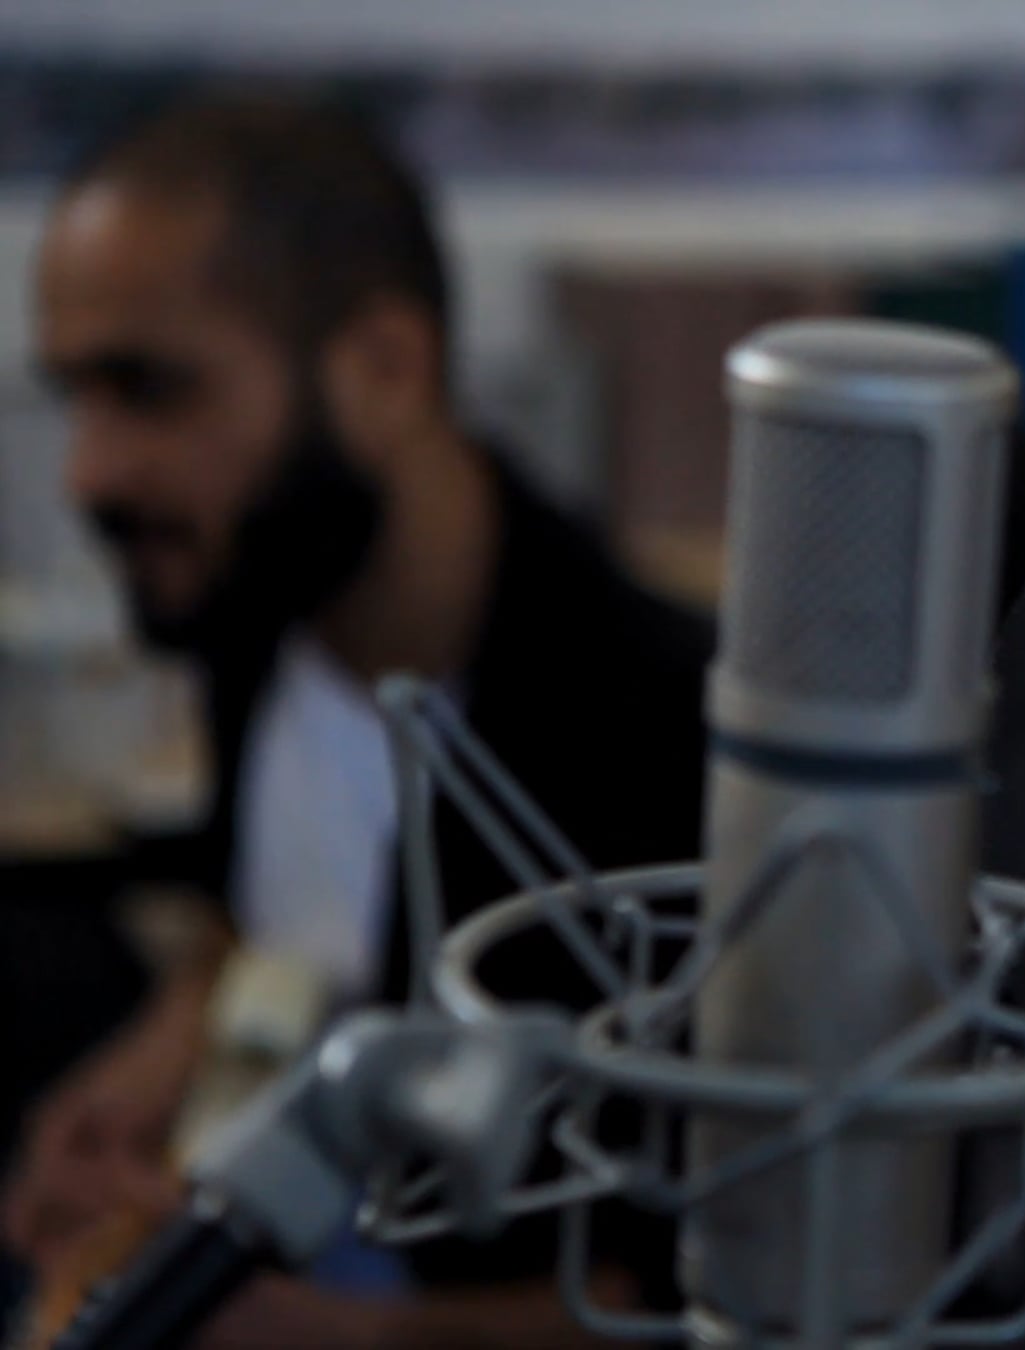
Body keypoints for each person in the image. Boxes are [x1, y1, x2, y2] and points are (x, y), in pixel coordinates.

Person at [4, 95, 710, 1346]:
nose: (89, 473)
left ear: (384, 368)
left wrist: (321, 1334)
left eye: (150, 391)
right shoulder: (256, 602)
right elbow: (287, 909)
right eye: (78, 400)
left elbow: (686, 1289)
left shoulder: (659, 745)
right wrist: (169, 1045)